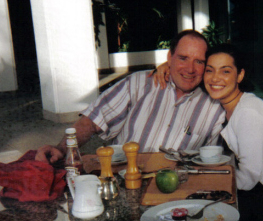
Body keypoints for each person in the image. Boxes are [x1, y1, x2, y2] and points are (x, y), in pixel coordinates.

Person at [35, 30, 225, 164]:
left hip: (174, 190)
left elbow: (210, 162)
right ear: (169, 58)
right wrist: (62, 149)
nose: (190, 69)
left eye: (199, 61)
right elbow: (92, 121)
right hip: (123, 180)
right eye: (183, 58)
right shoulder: (139, 83)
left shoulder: (214, 109)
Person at [153, 43, 263, 195]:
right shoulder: (226, 103)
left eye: (225, 71)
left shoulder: (248, 112)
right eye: (210, 70)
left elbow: (249, 177)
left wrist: (207, 182)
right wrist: (167, 67)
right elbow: (192, 75)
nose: (215, 79)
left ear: (240, 75)